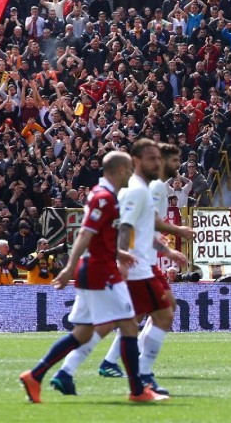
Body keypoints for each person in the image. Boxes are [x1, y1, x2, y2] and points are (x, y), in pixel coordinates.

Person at [19, 151, 163, 404]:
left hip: (97, 267)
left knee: (84, 333)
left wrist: (116, 252)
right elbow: (84, 235)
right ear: (119, 171)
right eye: (129, 169)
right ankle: (138, 391)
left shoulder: (102, 195)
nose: (131, 174)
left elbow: (96, 237)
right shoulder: (104, 198)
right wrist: (68, 268)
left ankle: (36, 375)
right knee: (129, 325)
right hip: (101, 272)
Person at [55, 140, 188, 397]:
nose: (167, 165)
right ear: (137, 162)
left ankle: (65, 371)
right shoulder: (144, 190)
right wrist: (122, 259)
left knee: (113, 324)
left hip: (138, 263)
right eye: (160, 160)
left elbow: (142, 226)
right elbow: (125, 227)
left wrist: (168, 249)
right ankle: (140, 378)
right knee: (159, 315)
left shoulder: (139, 189)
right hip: (136, 266)